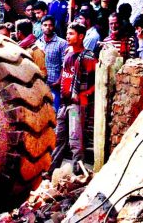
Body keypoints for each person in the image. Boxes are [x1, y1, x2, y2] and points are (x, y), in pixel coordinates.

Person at [49, 22, 96, 175]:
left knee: (75, 139)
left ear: (81, 36)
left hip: (77, 105)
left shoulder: (88, 56)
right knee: (59, 139)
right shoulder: (68, 53)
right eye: (68, 33)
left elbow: (95, 81)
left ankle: (78, 173)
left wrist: (84, 95)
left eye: (71, 34)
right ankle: (51, 170)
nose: (68, 36)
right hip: (64, 103)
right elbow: (65, 74)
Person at [36, 15, 68, 112]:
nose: (47, 27)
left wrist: (59, 80)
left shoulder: (62, 43)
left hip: (54, 84)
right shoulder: (37, 43)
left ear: (54, 26)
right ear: (41, 26)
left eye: (50, 25)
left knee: (55, 111)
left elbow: (65, 64)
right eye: (45, 25)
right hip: (40, 83)